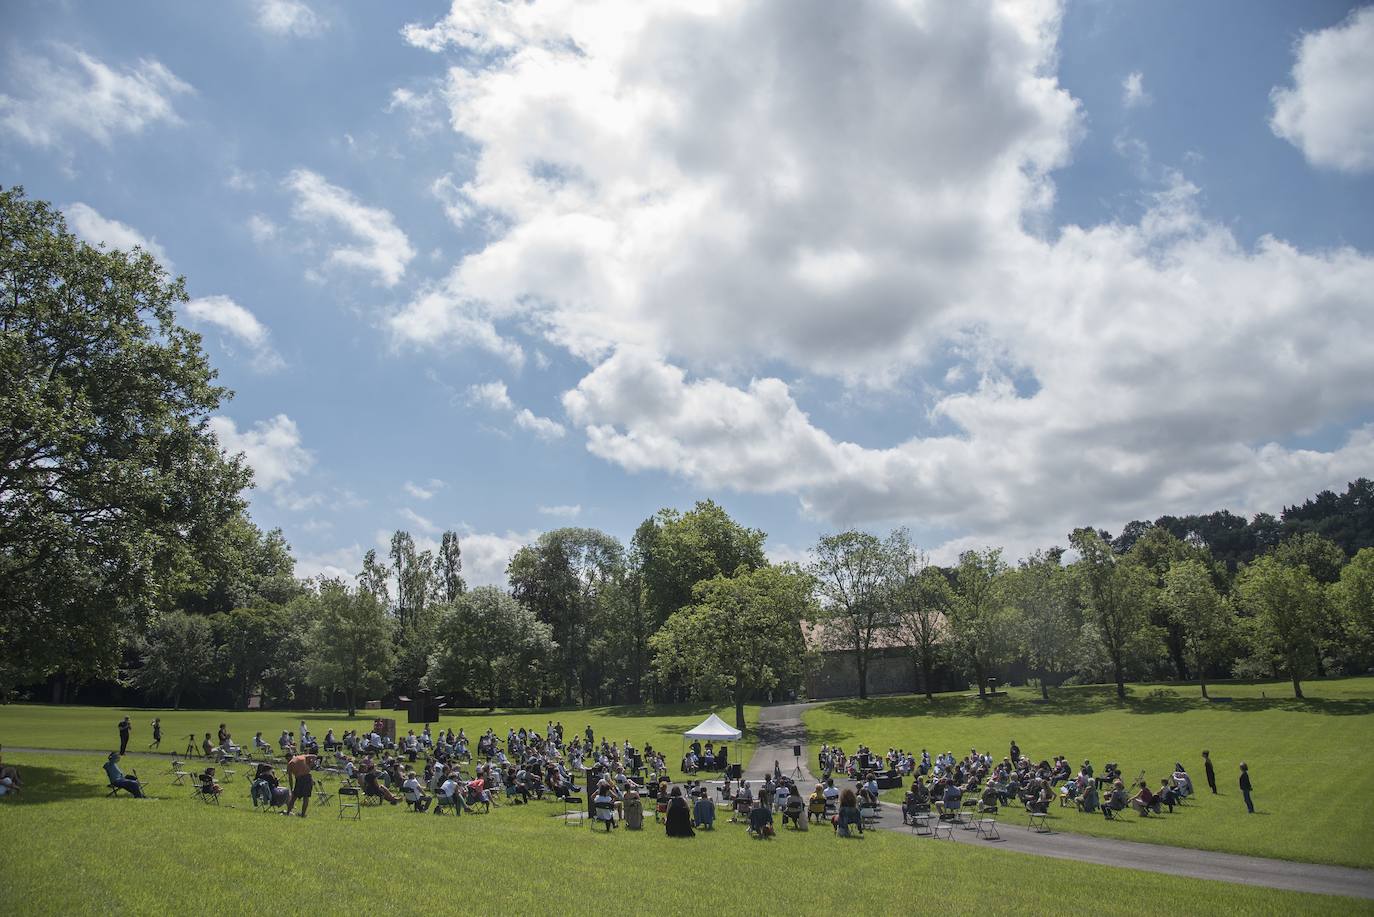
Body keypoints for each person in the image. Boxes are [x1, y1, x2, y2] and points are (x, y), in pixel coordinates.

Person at [284, 753, 318, 818]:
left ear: (288, 758)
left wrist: (291, 788)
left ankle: (288, 812)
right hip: (307, 777)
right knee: (306, 797)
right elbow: (314, 756)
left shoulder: (290, 763)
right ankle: (303, 814)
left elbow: (290, 778)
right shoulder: (302, 757)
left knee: (294, 797)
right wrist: (310, 765)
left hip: (299, 779)